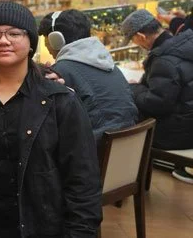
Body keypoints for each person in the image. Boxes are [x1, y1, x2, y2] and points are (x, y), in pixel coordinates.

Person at [0, 2, 102, 238]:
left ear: (30, 42)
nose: (4, 41)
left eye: (14, 33)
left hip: (43, 225)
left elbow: (82, 178)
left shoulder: (59, 100)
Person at [38, 9, 138, 145]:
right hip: (127, 146)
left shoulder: (62, 70)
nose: (45, 45)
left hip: (95, 152)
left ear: (56, 39)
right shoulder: (106, 61)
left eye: (46, 39)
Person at [121, 9, 193, 183]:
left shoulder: (164, 59)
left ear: (141, 36)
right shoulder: (182, 44)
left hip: (179, 132)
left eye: (133, 40)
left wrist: (135, 88)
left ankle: (124, 180)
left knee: (125, 124)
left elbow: (157, 104)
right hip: (188, 121)